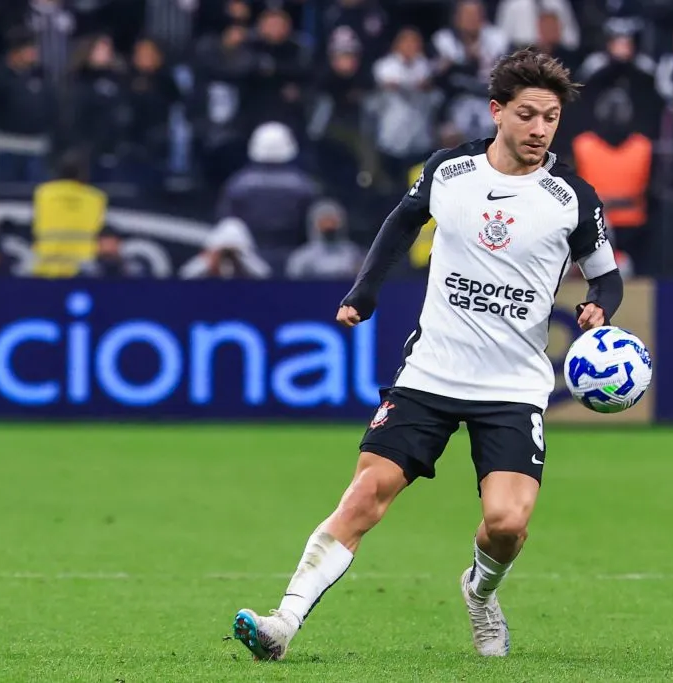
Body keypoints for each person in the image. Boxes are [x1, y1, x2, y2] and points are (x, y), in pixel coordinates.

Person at [232, 47, 624, 661]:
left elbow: (607, 276)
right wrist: (363, 294)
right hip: (431, 372)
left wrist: (601, 306)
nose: (540, 129)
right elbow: (400, 223)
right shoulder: (450, 170)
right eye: (527, 115)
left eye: (550, 117)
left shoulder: (572, 196)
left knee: (507, 524)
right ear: (497, 111)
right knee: (365, 495)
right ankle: (282, 623)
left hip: (513, 386)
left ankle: (479, 590)